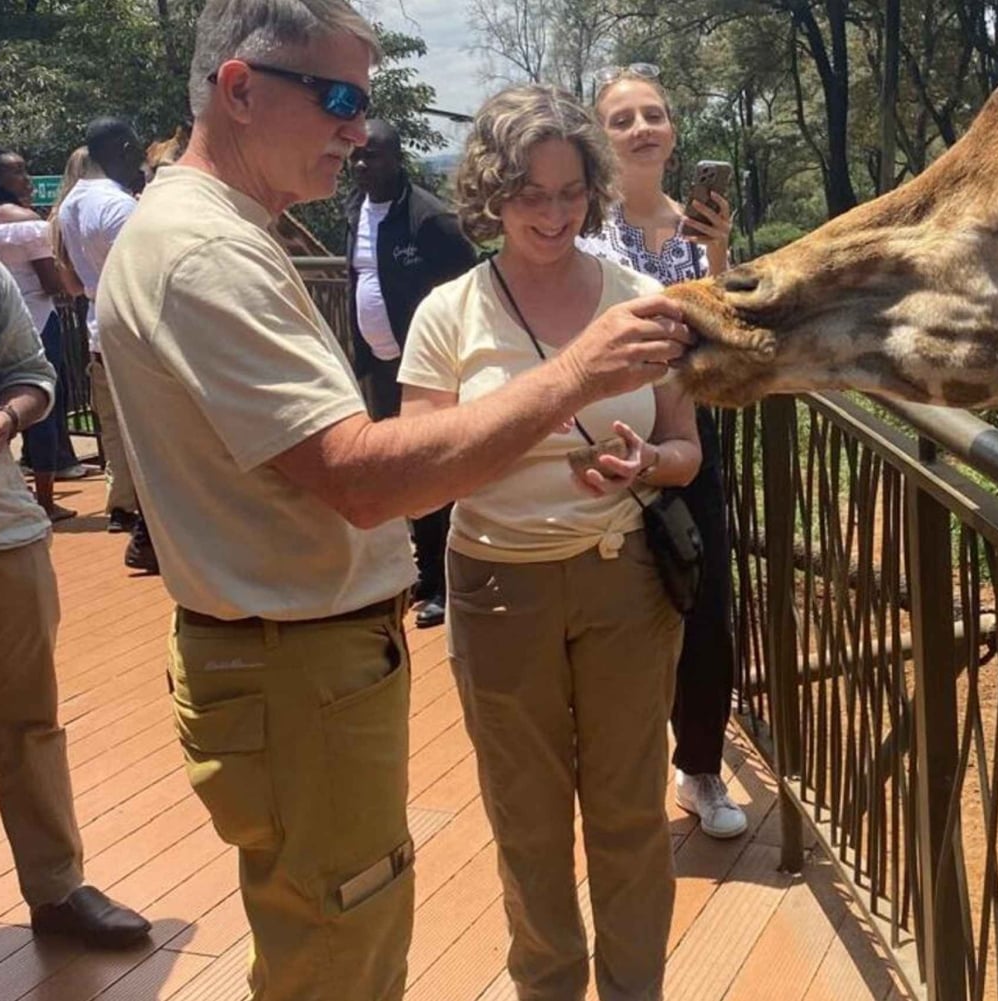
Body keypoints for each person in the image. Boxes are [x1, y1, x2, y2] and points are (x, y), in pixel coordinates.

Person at [95, 3, 691, 999]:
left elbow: (681, 443)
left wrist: (643, 456)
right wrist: (573, 379)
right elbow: (370, 475)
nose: (355, 128)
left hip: (330, 651)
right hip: (308, 656)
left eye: (363, 103)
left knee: (349, 928)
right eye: (335, 98)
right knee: (345, 939)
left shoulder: (228, 235)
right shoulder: (207, 252)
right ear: (239, 91)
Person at [399, 84, 700, 1001]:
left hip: (624, 584)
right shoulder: (448, 314)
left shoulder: (644, 300)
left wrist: (647, 461)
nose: (554, 213)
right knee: (528, 825)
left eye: (571, 192)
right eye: (531, 192)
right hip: (497, 591)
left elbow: (687, 451)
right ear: (492, 191)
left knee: (628, 816)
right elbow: (421, 467)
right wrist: (560, 393)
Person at [582, 65, 748, 840]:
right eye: (623, 119)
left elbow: (727, 339)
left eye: (654, 114)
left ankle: (702, 769)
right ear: (601, 135)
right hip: (603, 435)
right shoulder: (583, 231)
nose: (642, 128)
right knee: (614, 608)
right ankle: (617, 770)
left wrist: (719, 265)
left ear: (674, 131)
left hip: (690, 439)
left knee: (706, 603)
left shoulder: (696, 230)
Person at [0, 254, 152, 949]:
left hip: (3, 533)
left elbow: (33, 371)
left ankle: (56, 888)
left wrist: (5, 418)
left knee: (28, 723)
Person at [344, 118, 477, 628]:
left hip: (426, 368)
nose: (360, 164)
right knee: (403, 470)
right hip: (379, 364)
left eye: (371, 155)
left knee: (435, 470)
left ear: (397, 159)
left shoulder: (430, 219)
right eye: (356, 155)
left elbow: (467, 288)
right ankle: (425, 570)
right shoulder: (355, 209)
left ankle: (448, 581)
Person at [57, 118, 157, 567]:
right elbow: (145, 274)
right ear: (121, 146)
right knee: (152, 430)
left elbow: (77, 277)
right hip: (134, 328)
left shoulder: (71, 204)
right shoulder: (120, 207)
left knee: (114, 427)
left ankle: (124, 506)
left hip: (98, 322)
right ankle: (149, 528)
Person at [0, 147, 87, 520]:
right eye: (17, 171)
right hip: (36, 319)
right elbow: (51, 282)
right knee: (42, 400)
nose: (26, 178)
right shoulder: (24, 219)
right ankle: (46, 500)